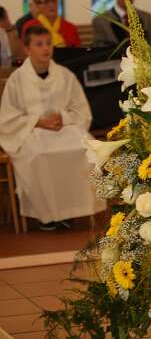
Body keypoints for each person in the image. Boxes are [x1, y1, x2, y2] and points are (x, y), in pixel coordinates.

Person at [0, 25, 104, 230]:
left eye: (48, 43)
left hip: (64, 129)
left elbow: (82, 111)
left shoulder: (65, 75)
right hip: (31, 133)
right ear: (27, 48)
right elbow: (7, 118)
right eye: (39, 44)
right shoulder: (17, 80)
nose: (46, 48)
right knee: (39, 155)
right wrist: (37, 122)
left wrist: (63, 118)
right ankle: (46, 215)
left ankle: (71, 210)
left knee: (84, 150)